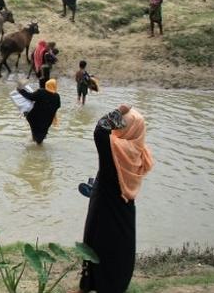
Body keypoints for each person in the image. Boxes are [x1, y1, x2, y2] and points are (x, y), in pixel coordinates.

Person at [75, 105, 154, 293]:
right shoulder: (138, 151)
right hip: (124, 208)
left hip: (103, 205)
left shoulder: (114, 149)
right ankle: (114, 286)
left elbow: (100, 129)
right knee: (119, 249)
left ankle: (88, 285)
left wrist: (118, 110)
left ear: (127, 128)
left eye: (123, 124)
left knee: (94, 243)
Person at [18, 78, 61, 144]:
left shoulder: (41, 92)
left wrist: (21, 90)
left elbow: (30, 96)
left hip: (34, 117)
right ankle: (36, 145)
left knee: (36, 134)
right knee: (40, 137)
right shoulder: (57, 96)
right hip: (47, 121)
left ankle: (31, 144)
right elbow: (57, 106)